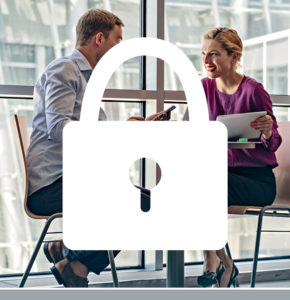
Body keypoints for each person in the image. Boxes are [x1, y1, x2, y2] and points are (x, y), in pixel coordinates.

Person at [196, 27, 282, 288]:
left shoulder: (254, 90)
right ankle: (224, 262)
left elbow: (273, 142)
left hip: (256, 182)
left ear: (234, 57)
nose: (207, 61)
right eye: (203, 54)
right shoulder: (202, 89)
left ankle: (215, 262)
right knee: (195, 187)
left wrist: (267, 132)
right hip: (219, 177)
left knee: (206, 189)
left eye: (214, 54)